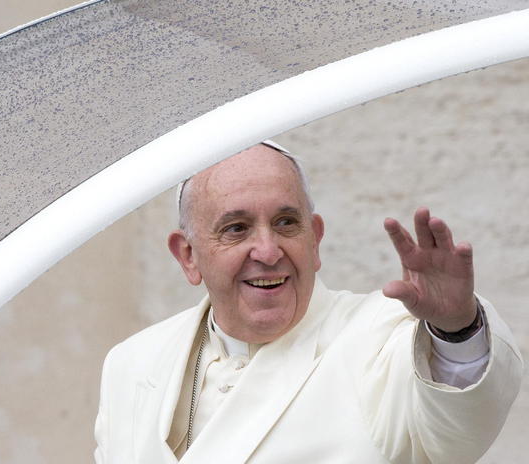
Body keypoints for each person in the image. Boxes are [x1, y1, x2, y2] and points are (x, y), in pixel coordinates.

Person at [94, 142, 522, 463]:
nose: (268, 251)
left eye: (286, 223)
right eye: (237, 228)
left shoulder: (384, 336)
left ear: (314, 239)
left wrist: (455, 329)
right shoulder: (132, 363)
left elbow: (458, 431)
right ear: (188, 256)